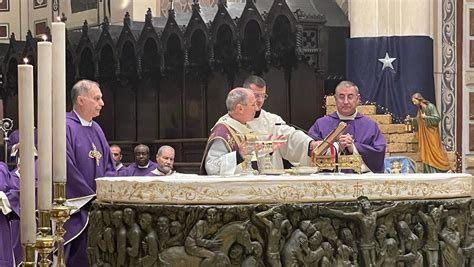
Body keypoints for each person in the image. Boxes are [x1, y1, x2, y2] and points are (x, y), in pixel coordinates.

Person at [63, 79, 116, 267]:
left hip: (97, 206)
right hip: (77, 208)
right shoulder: (64, 126)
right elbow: (65, 166)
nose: (102, 103)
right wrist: (89, 197)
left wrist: (106, 193)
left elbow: (109, 165)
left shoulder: (97, 128)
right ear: (81, 100)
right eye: (97, 98)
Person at [308, 81, 386, 173]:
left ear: (357, 99)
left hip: (361, 182)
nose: (345, 101)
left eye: (350, 97)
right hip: (328, 182)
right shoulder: (321, 124)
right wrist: (337, 146)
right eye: (341, 97)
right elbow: (310, 153)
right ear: (335, 99)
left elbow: (379, 153)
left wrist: (354, 147)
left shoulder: (370, 125)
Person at [243, 75, 318, 169]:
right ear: (244, 94)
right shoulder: (231, 122)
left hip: (271, 180)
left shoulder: (272, 121)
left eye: (263, 96)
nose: (260, 100)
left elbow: (290, 136)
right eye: (256, 96)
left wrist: (309, 145)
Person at [319, 196, 398, 267]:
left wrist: (394, 207)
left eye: (366, 203)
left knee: (374, 264)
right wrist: (329, 210)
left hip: (372, 243)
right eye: (363, 204)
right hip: (363, 244)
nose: (365, 205)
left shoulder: (374, 214)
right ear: (361, 206)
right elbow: (343, 214)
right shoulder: (359, 216)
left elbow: (385, 210)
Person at [200, 88, 258, 175]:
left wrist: (268, 150)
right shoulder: (222, 131)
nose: (257, 109)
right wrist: (238, 155)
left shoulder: (245, 127)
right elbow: (211, 167)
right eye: (253, 105)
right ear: (240, 108)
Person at [405, 93, 451, 173]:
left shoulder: (430, 107)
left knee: (435, 151)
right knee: (427, 152)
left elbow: (437, 118)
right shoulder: (420, 109)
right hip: (425, 135)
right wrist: (411, 120)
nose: (413, 103)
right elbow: (419, 120)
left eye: (414, 101)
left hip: (432, 134)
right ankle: (429, 171)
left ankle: (444, 169)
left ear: (419, 99)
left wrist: (425, 117)